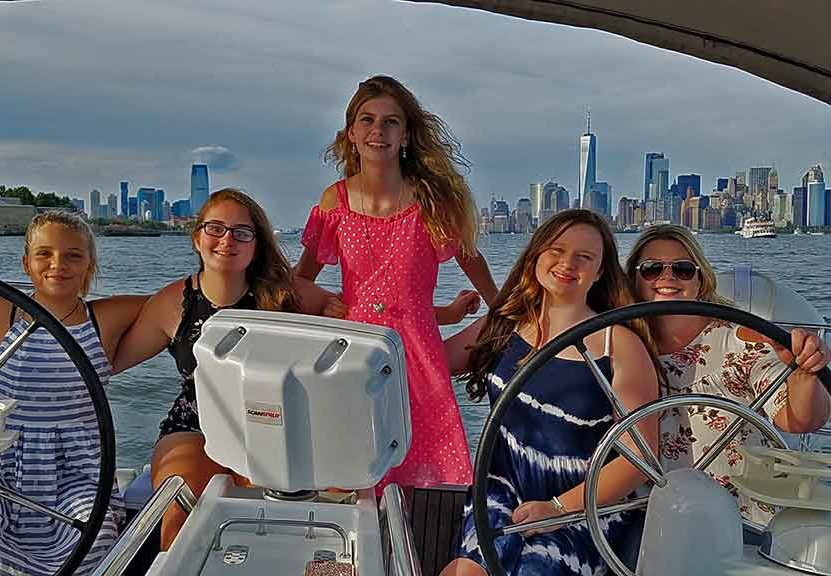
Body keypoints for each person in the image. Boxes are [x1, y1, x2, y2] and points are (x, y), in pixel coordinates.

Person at [295, 74, 498, 490]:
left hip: (417, 358)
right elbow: (301, 280)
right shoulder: (335, 201)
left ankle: (422, 554)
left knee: (427, 482)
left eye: (391, 122)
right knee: (354, 477)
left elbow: (466, 260)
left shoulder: (431, 202)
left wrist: (504, 305)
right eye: (367, 120)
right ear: (352, 133)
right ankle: (344, 557)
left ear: (405, 134)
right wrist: (323, 302)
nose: (378, 130)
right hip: (356, 354)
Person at [439, 209, 659, 576]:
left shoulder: (617, 345)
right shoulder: (499, 328)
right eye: (556, 250)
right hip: (501, 493)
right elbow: (422, 366)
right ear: (536, 255)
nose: (567, 263)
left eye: (584, 257)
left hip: (583, 508)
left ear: (600, 272)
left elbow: (640, 456)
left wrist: (559, 508)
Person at [111, 188, 326, 549]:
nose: (228, 240)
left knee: (303, 517)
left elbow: (355, 323)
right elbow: (115, 361)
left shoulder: (287, 296)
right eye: (216, 229)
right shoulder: (172, 302)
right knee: (181, 513)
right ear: (197, 239)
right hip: (196, 425)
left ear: (256, 245)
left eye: (242, 232)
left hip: (272, 424)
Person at [0, 210, 148, 576]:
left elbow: (179, 304)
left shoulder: (108, 317)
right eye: (44, 254)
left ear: (90, 264)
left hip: (79, 467)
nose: (58, 264)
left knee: (94, 536)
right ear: (25, 263)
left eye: (73, 255)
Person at [626, 223, 830, 526]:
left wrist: (802, 374)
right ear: (633, 280)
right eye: (652, 268)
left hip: (740, 521)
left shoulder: (741, 340)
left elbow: (799, 420)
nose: (667, 277)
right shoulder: (619, 349)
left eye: (682, 269)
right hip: (649, 518)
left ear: (700, 280)